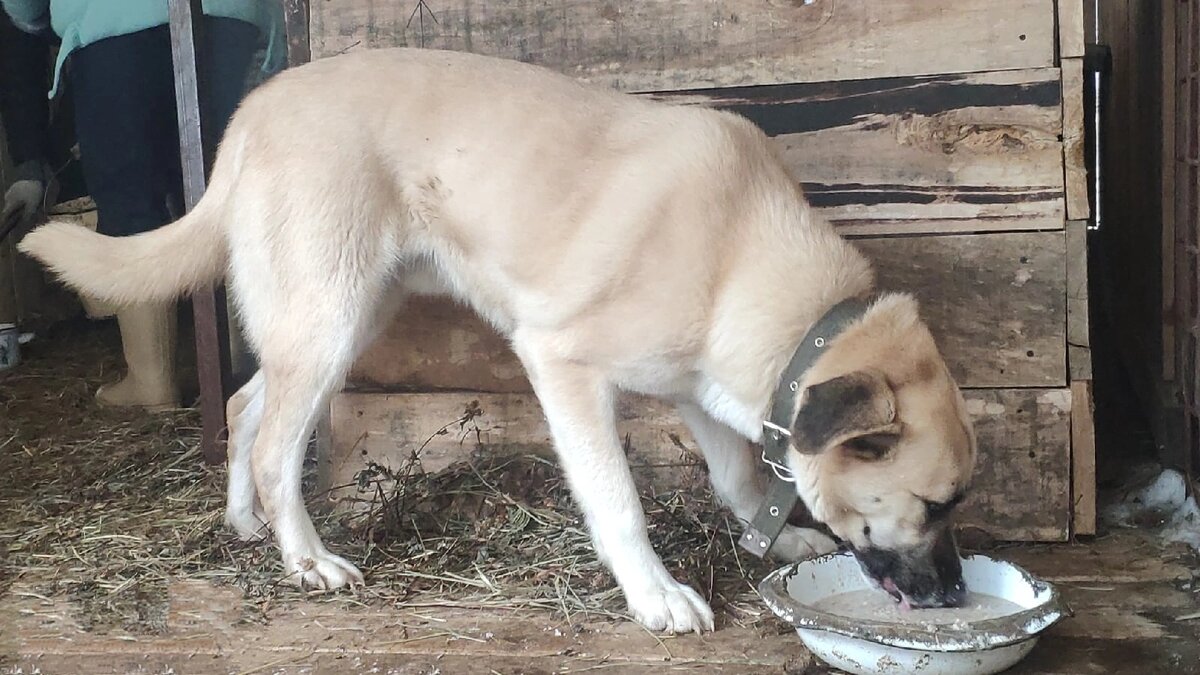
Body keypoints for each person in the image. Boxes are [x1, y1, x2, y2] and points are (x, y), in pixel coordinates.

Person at [0, 0, 284, 410]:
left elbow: (22, 11)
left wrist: (29, 17)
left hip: (115, 20)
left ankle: (152, 381)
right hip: (231, 15)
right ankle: (235, 368)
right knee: (221, 190)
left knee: (130, 194)